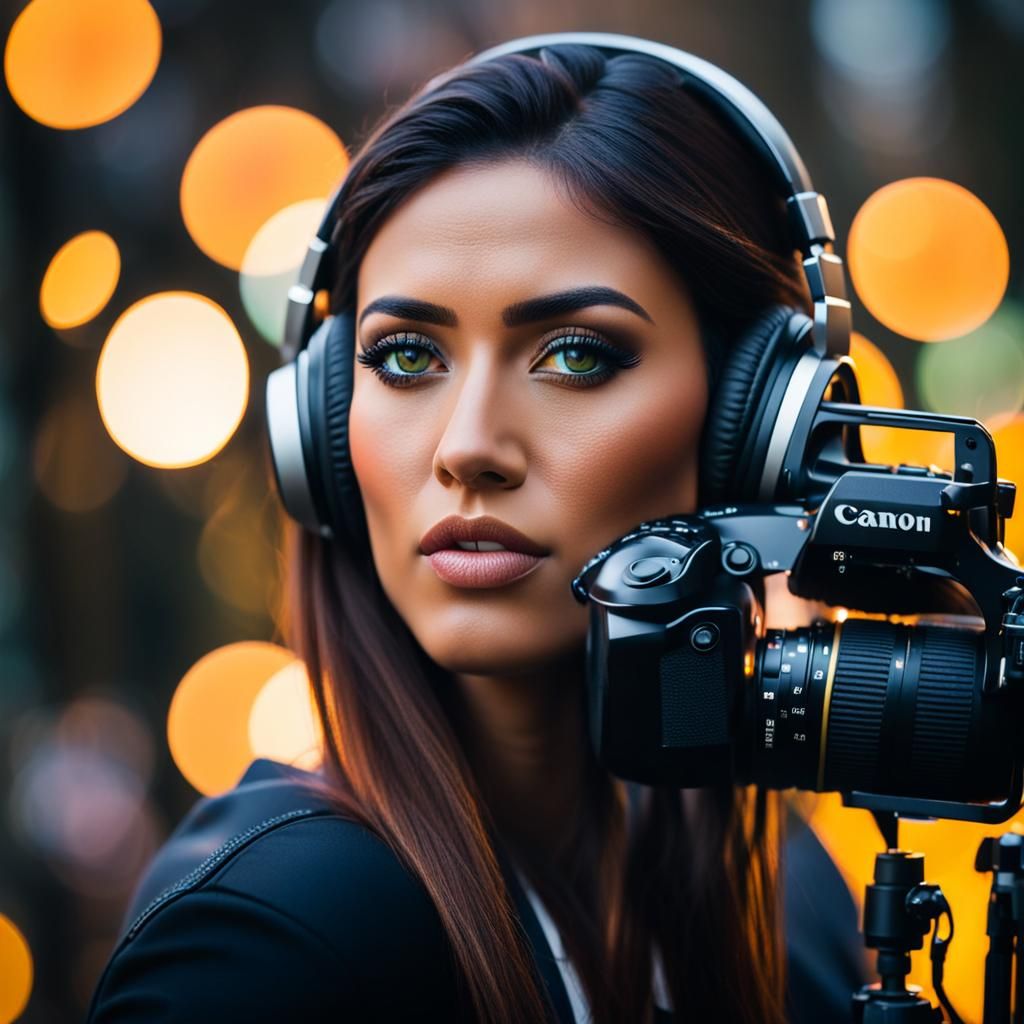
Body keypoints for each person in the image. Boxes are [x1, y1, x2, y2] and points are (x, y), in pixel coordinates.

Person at [87, 38, 869, 1024]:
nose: (466, 449)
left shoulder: (791, 908)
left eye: (575, 355)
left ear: (749, 426)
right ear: (321, 430)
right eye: (408, 357)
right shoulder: (271, 940)